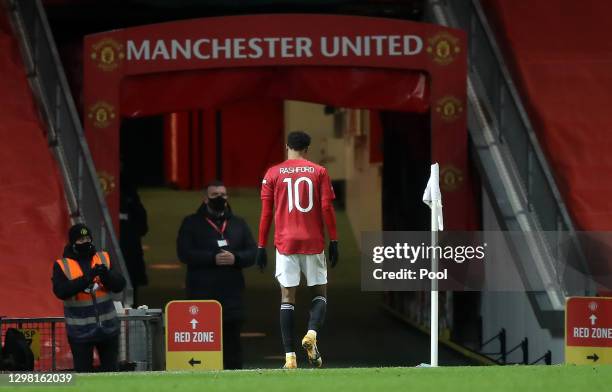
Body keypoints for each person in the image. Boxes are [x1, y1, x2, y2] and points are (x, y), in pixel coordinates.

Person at [256, 130, 339, 369]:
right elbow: (326, 208)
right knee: (320, 293)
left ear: (287, 146)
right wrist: (334, 240)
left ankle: (289, 357)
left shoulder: (273, 173)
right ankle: (311, 334)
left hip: (285, 243)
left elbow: (266, 213)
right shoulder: (319, 171)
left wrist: (261, 245)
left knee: (287, 298)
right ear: (307, 149)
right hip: (313, 241)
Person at [176, 181, 256, 369]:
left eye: (223, 194)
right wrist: (212, 258)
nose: (220, 198)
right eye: (214, 195)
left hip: (232, 297)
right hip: (202, 295)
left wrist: (235, 258)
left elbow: (253, 253)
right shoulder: (191, 223)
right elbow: (184, 253)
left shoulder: (238, 224)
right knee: (205, 344)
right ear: (205, 199)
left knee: (232, 346)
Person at [51, 223, 126, 372]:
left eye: (87, 238)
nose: (85, 242)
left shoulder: (104, 258)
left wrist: (107, 275)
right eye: (80, 240)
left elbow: (119, 285)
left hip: (108, 329)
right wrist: (87, 278)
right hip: (80, 332)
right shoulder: (62, 265)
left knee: (112, 374)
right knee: (83, 376)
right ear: (73, 243)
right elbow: (61, 291)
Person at [119, 175, 149, 307]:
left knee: (131, 285)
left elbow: (143, 227)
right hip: (128, 251)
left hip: (130, 251)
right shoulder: (131, 196)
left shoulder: (131, 196)